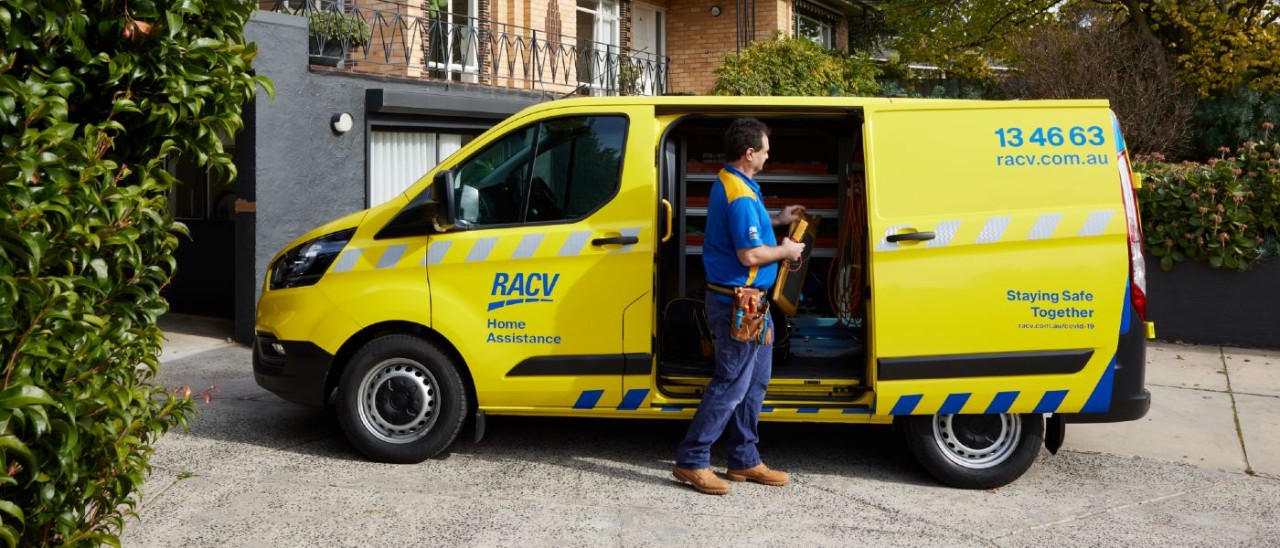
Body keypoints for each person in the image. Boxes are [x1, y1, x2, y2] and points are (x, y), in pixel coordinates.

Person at [673, 118, 805, 495]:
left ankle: (744, 459)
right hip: (740, 305)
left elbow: (745, 229)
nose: (768, 154)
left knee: (754, 384)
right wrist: (787, 250)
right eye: (765, 149)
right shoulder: (741, 196)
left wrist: (777, 220)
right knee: (731, 384)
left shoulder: (736, 182)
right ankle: (692, 461)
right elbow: (749, 254)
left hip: (751, 306)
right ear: (750, 153)